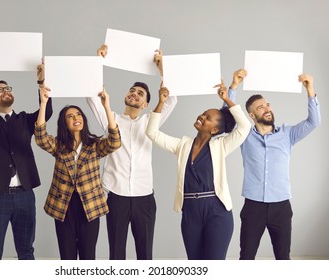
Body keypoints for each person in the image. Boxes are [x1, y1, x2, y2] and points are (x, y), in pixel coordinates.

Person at [86, 45, 177, 260]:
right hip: (115, 195)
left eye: (140, 94)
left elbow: (172, 99)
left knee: (145, 254)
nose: (134, 94)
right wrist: (97, 62)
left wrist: (162, 68)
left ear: (146, 103)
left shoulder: (150, 121)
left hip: (144, 197)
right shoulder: (112, 119)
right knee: (116, 254)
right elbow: (92, 98)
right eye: (132, 91)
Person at [146, 80, 251, 260]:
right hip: (190, 211)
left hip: (217, 211)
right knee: (195, 264)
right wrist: (161, 101)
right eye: (203, 114)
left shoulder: (221, 145)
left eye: (208, 118)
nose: (202, 116)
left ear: (215, 129)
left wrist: (227, 99)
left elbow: (244, 127)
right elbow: (152, 133)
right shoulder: (183, 145)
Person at [228, 69, 321, 260]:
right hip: (253, 206)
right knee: (246, 257)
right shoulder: (244, 134)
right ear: (252, 115)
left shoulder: (287, 134)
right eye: (260, 107)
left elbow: (314, 122)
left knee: (282, 258)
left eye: (267, 104)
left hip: (281, 206)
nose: (267, 108)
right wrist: (233, 87)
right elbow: (228, 120)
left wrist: (310, 90)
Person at [0, 57, 53, 260]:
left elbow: (47, 111)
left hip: (25, 195)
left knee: (26, 251)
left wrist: (41, 82)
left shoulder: (24, 119)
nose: (5, 90)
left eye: (8, 88)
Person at [34, 85, 121, 260]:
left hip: (89, 206)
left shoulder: (94, 145)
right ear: (64, 123)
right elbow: (41, 138)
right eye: (70, 116)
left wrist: (107, 106)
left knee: (88, 256)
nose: (76, 118)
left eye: (79, 114)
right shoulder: (59, 146)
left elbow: (114, 142)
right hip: (63, 206)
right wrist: (43, 103)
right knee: (67, 256)